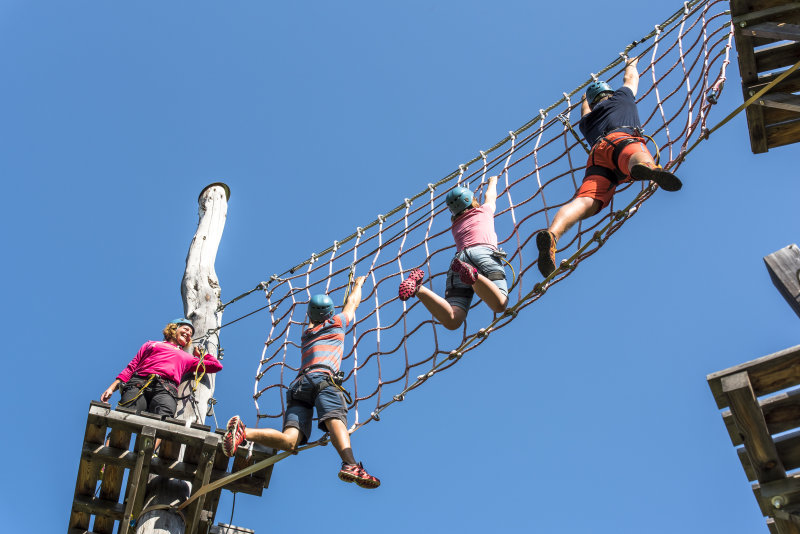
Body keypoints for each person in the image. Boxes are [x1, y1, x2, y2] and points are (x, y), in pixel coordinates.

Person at [222, 276, 380, 489]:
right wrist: (358, 284)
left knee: (290, 441)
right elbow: (353, 303)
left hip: (298, 385)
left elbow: (319, 315)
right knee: (335, 418)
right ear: (330, 313)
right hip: (323, 378)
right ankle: (350, 464)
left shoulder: (307, 333)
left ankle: (243, 432)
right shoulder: (338, 323)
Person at [536, 57, 682, 278]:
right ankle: (648, 168)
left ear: (592, 103)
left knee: (585, 201)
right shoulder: (622, 98)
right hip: (622, 138)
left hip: (598, 157)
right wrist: (631, 63)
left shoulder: (586, 123)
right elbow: (630, 78)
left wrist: (584, 100)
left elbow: (585, 110)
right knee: (634, 153)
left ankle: (552, 235)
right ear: (609, 93)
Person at [397, 175, 508, 329]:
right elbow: (490, 196)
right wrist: (493, 181)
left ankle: (417, 288)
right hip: (483, 253)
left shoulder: (455, 224)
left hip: (459, 259)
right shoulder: (484, 211)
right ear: (471, 200)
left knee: (453, 320)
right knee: (500, 304)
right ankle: (473, 277)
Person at [100, 318, 223, 417]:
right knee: (126, 415)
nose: (188, 334)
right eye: (185, 329)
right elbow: (131, 367)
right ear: (174, 328)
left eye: (190, 334)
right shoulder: (151, 344)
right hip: (138, 383)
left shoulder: (188, 358)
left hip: (166, 389)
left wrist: (202, 355)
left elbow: (216, 366)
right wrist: (111, 388)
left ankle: (152, 442)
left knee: (163, 420)